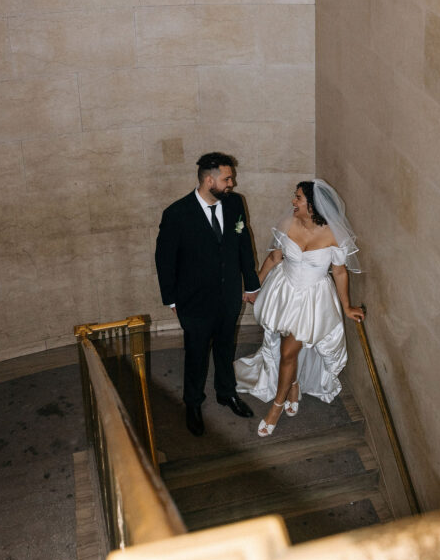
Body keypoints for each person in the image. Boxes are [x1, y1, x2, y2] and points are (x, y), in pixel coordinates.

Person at [235, 179, 364, 437]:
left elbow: (339, 271)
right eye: (294, 197)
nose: (293, 202)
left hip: (311, 300)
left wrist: (347, 306)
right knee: (284, 344)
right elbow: (274, 257)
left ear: (313, 206)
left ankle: (276, 407)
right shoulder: (288, 223)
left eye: (298, 198)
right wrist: (254, 287)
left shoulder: (333, 235)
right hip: (283, 293)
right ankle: (293, 385)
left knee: (288, 353)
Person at [155, 152, 260, 437]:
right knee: (197, 355)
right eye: (227, 178)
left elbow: (243, 245)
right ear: (209, 180)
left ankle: (226, 393)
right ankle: (193, 403)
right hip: (194, 301)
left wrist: (250, 284)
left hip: (228, 296)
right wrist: (172, 300)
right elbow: (165, 260)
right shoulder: (177, 214)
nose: (232, 183)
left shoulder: (235, 203)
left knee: (226, 348)